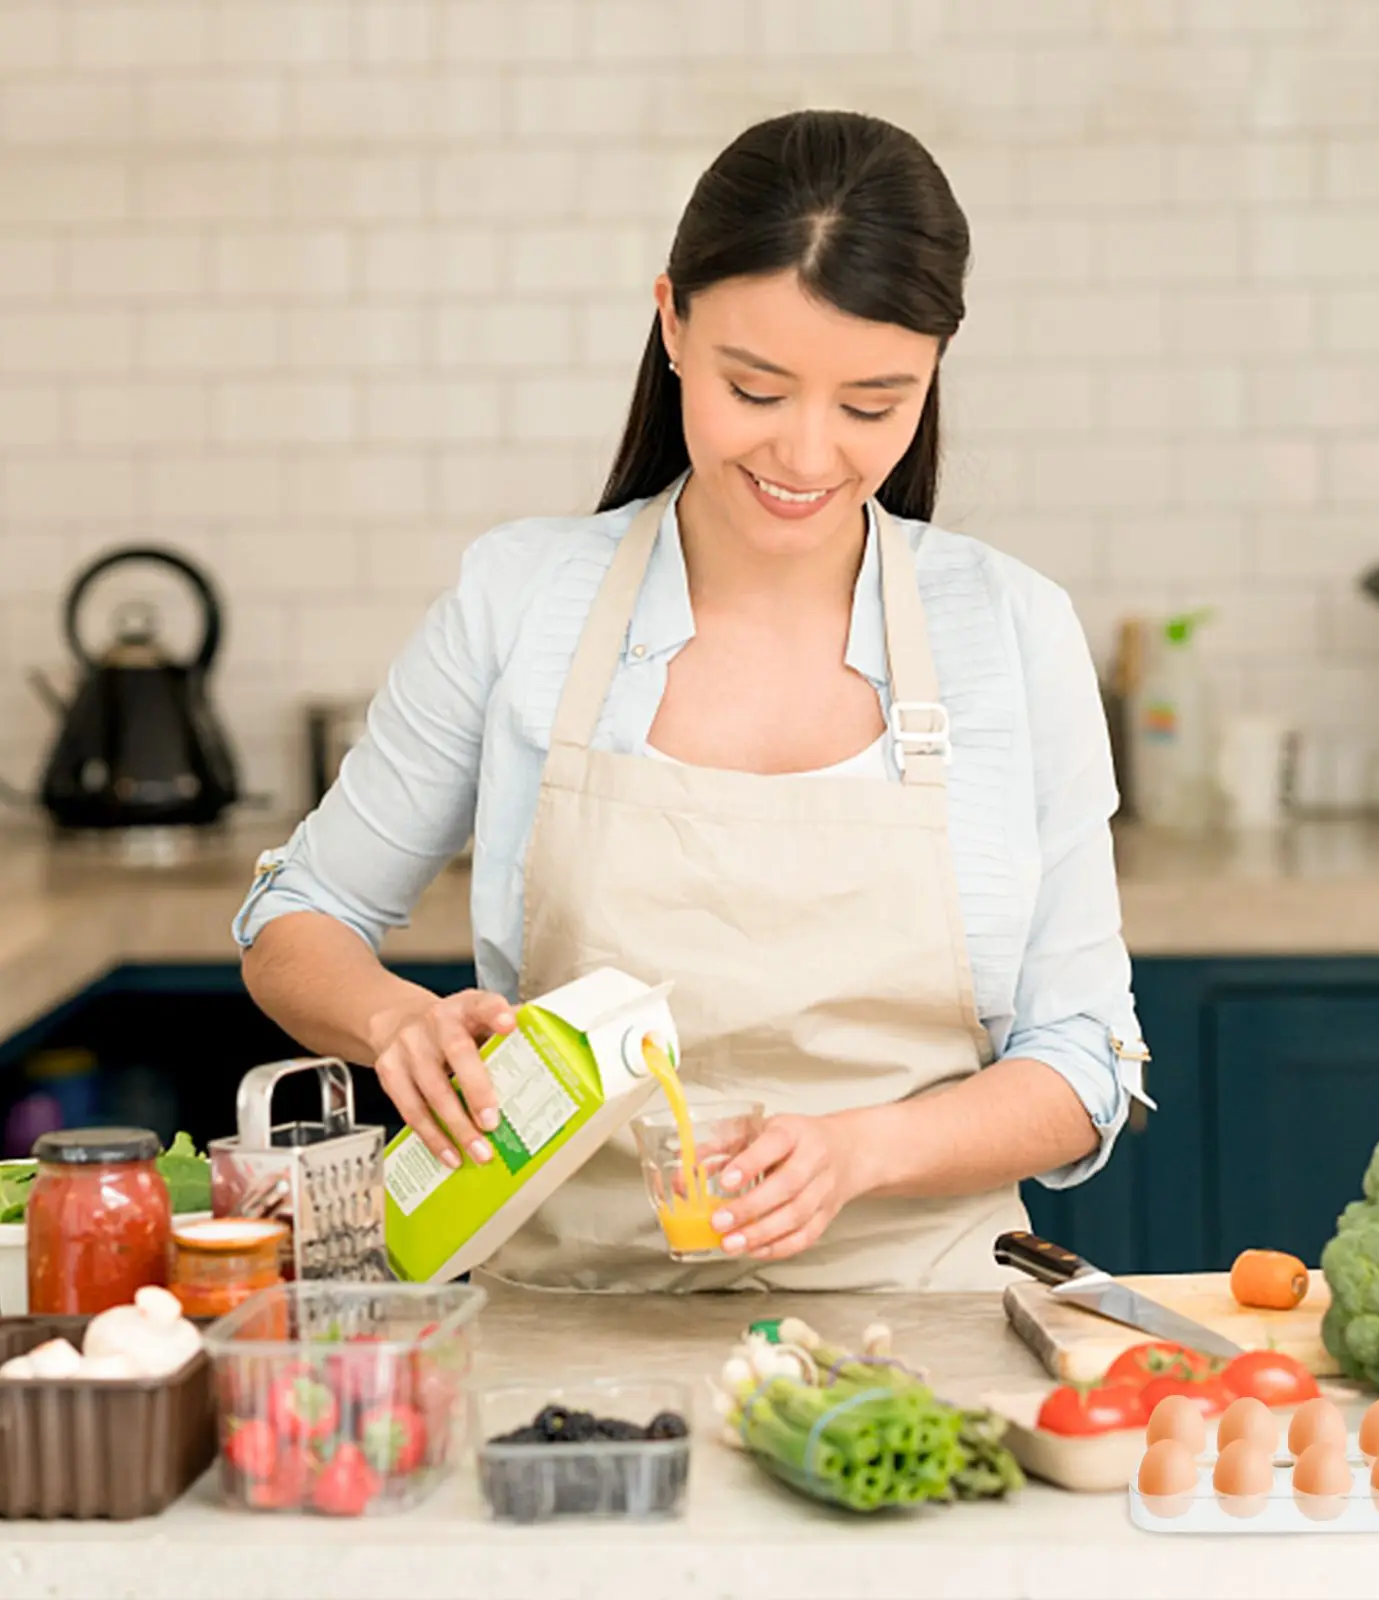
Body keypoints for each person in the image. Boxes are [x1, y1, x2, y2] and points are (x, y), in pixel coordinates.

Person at [233, 108, 1151, 1294]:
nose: (810, 454)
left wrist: (859, 1151)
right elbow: (296, 917)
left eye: (873, 404)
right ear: (671, 320)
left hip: (929, 1330)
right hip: (559, 1327)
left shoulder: (1011, 630)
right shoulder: (523, 597)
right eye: (756, 388)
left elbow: (1082, 1063)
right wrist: (392, 1023)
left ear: (933, 368)